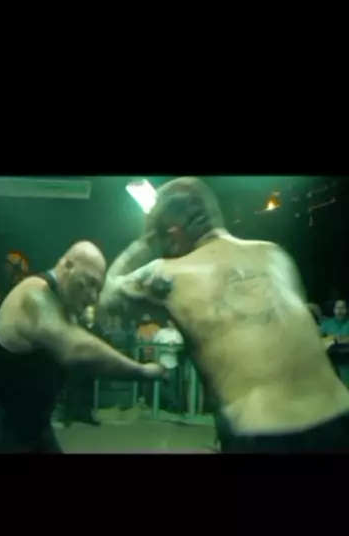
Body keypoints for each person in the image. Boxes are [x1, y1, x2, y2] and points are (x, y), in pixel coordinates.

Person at [100, 177, 349, 453]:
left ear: (173, 233)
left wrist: (145, 242)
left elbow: (108, 296)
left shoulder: (165, 273)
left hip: (264, 433)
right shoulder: (275, 255)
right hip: (340, 418)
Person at [0, 241, 164, 453]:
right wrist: (143, 370)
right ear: (67, 265)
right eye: (89, 283)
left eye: (97, 289)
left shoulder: (66, 306)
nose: (92, 296)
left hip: (30, 421)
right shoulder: (34, 294)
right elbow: (75, 349)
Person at [153, 320, 184, 412]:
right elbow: (154, 343)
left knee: (172, 386)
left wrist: (174, 345)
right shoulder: (161, 332)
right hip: (162, 362)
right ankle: (169, 406)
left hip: (173, 363)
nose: (171, 323)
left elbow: (181, 346)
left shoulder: (178, 333)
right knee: (162, 387)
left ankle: (172, 407)